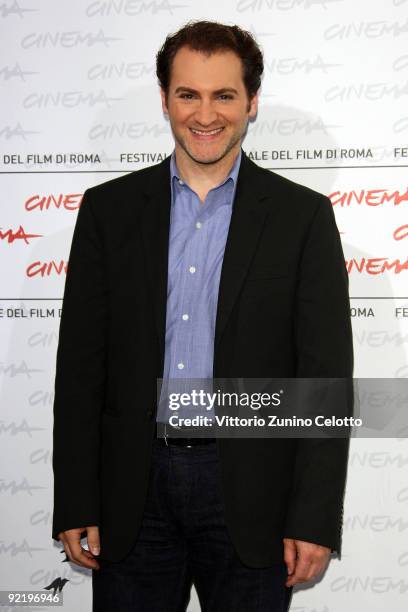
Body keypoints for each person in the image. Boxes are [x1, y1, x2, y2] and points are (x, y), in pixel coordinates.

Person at [52, 20, 353, 612]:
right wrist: (76, 500)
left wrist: (314, 517)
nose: (205, 113)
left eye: (224, 95)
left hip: (252, 494)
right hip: (131, 492)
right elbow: (80, 369)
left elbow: (324, 383)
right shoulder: (107, 212)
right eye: (188, 93)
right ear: (164, 99)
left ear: (252, 102)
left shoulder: (303, 218)